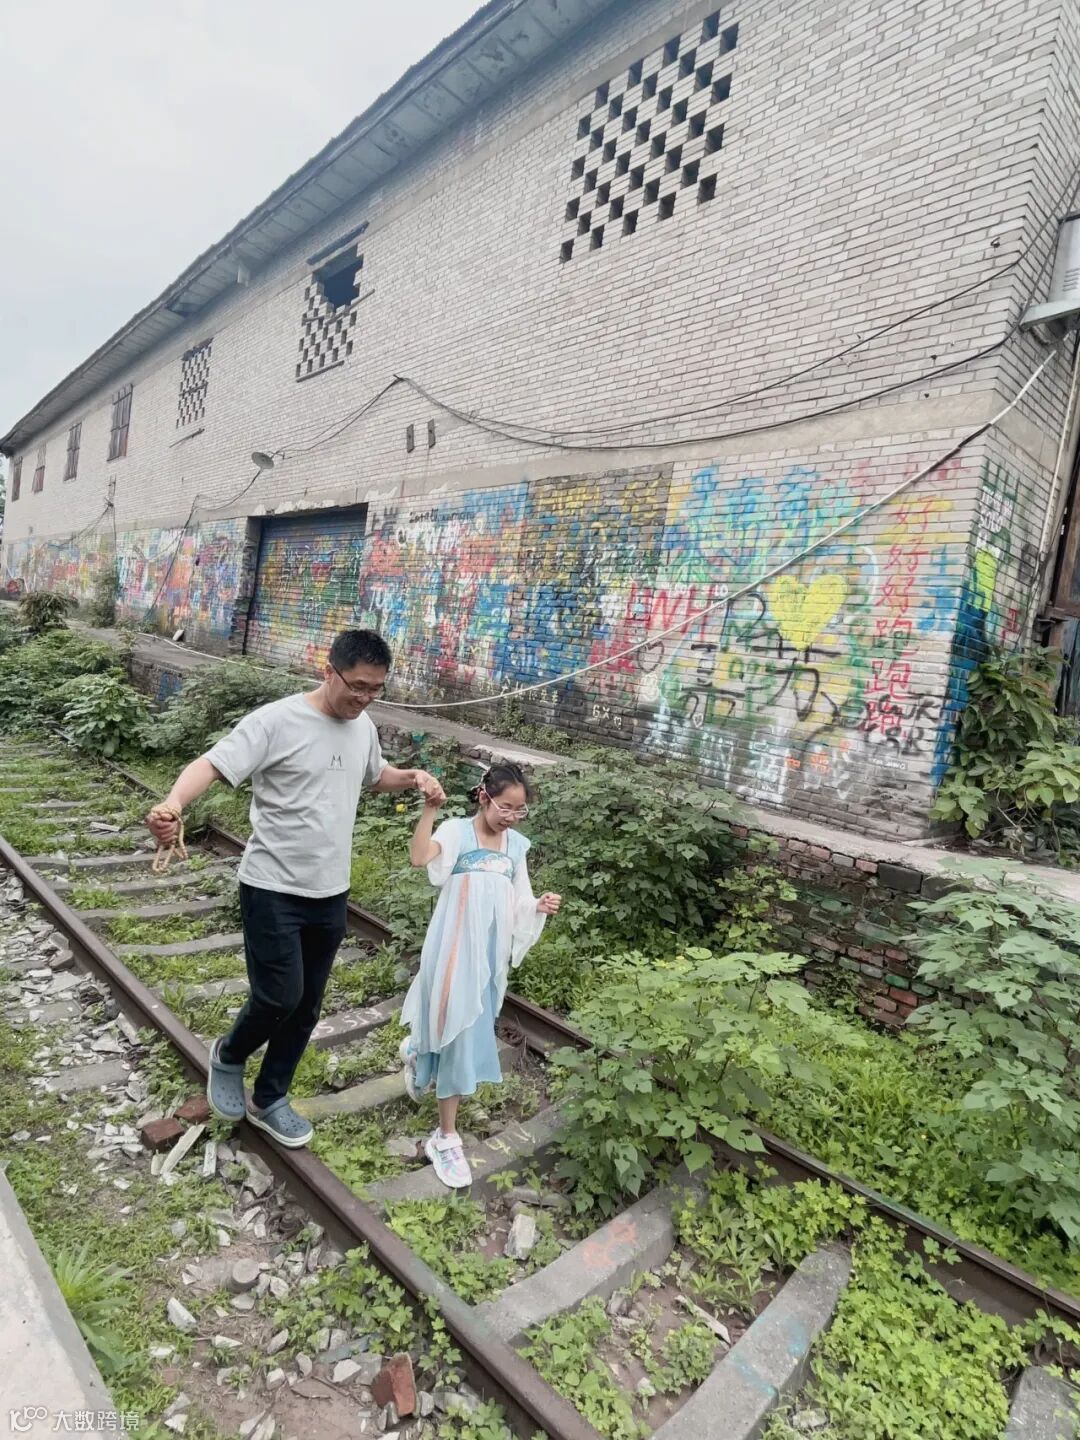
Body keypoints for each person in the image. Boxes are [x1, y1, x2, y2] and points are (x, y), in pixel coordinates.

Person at [144, 628, 445, 1148]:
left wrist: (414, 777)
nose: (364, 697)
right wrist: (172, 804)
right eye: (357, 685)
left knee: (306, 1005)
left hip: (330, 890)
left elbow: (374, 775)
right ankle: (229, 1055)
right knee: (278, 995)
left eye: (375, 688)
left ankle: (270, 1097)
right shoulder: (276, 721)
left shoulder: (363, 725)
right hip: (272, 886)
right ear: (328, 671)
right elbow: (212, 764)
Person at [399, 762, 560, 1189]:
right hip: (453, 950)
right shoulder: (457, 832)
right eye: (506, 807)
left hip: (489, 957)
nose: (512, 817)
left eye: (520, 810)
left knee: (466, 1025)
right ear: (484, 797)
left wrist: (537, 906)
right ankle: (445, 1136)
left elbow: (518, 900)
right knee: (457, 1031)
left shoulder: (516, 847)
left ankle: (418, 1049)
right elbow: (419, 858)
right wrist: (430, 810)